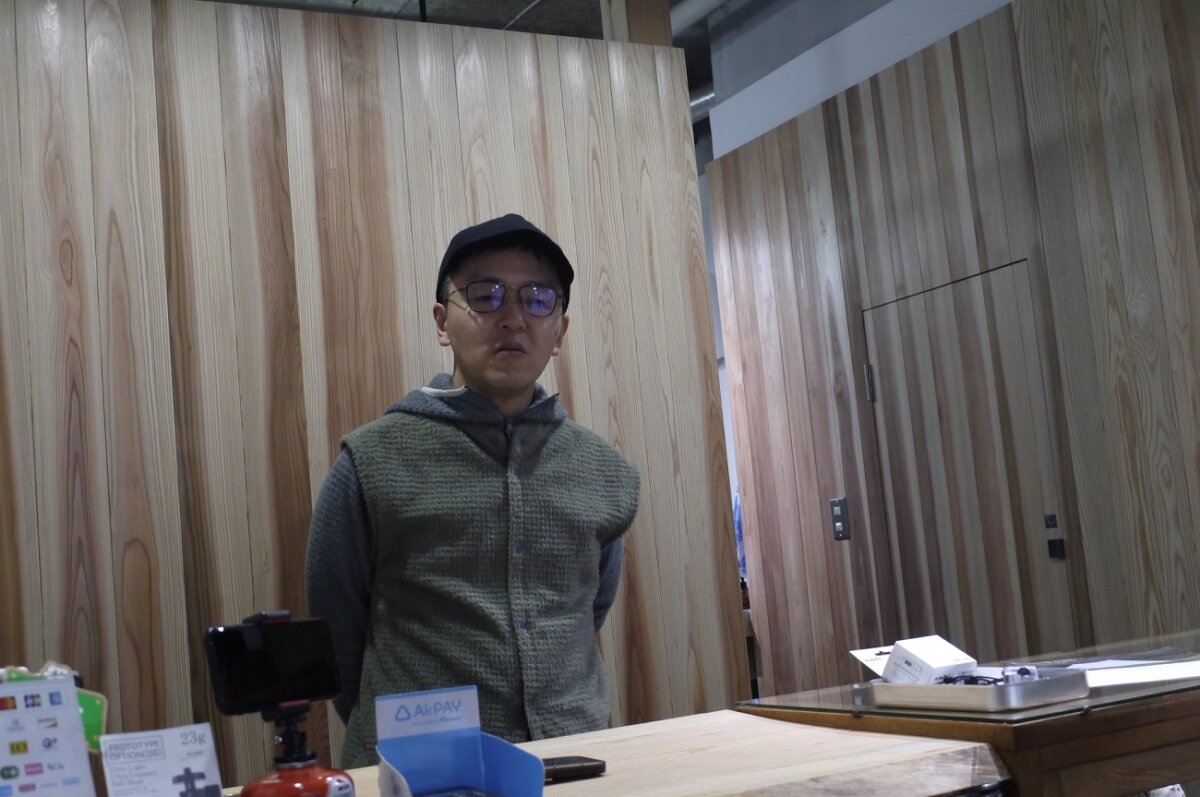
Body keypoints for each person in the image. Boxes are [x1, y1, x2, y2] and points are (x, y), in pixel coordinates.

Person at [305, 213, 641, 768]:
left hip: (575, 760)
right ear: (443, 322)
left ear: (560, 331)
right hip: (422, 772)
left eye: (538, 299)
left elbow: (588, 611)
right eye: (486, 295)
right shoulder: (373, 461)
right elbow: (334, 631)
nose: (513, 318)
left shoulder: (602, 471)